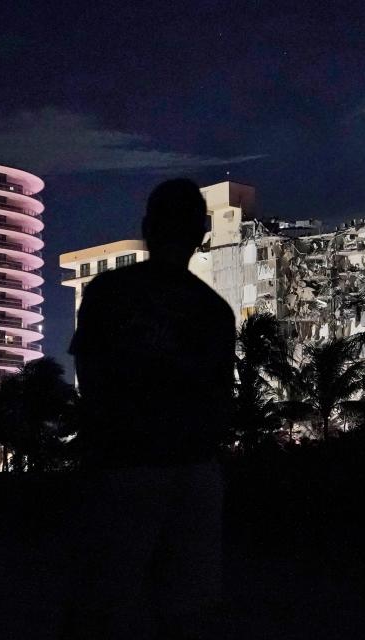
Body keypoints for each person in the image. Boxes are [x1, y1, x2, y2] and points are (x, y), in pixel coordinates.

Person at [65, 178, 236, 639]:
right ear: (201, 235)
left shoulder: (109, 292)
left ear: (146, 227)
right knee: (188, 611)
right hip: (193, 468)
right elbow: (221, 399)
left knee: (104, 604)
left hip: (123, 466)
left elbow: (91, 377)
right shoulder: (214, 310)